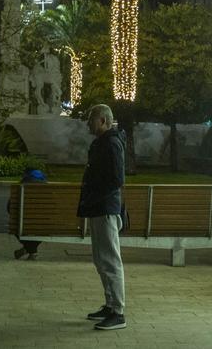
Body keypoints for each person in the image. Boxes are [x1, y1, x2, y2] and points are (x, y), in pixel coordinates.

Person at [78, 103, 126, 331]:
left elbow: (116, 179)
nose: (88, 123)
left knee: (109, 260)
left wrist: (95, 193)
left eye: (91, 119)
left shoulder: (111, 144)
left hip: (105, 208)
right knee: (102, 259)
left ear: (104, 121)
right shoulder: (104, 143)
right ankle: (110, 305)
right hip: (100, 207)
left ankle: (118, 311)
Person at [11, 167, 48, 260]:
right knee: (43, 225)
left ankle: (30, 250)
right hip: (46, 225)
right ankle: (30, 250)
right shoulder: (47, 187)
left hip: (24, 222)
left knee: (16, 225)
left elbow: (10, 207)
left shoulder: (22, 185)